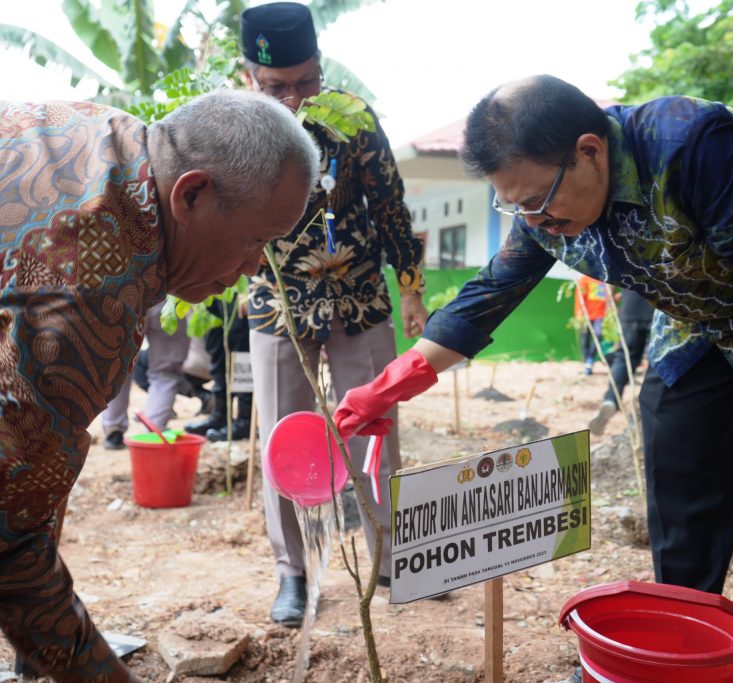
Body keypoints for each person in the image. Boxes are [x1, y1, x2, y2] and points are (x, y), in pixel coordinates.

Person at [334, 76, 733, 681]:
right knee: (679, 464)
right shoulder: (544, 203)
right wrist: (390, 386)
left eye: (538, 201)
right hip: (700, 312)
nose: (533, 219)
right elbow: (490, 294)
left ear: (589, 152)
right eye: (514, 205)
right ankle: (678, 652)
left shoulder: (697, 145)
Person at [0, 90, 319, 682]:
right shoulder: (89, 280)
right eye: (257, 239)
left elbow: (14, 466)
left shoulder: (114, 141)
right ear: (192, 193)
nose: (257, 267)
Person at [238, 2, 428, 627]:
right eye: (277, 87)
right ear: (248, 78)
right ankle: (292, 574)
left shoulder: (352, 119)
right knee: (283, 440)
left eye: (307, 81)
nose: (295, 98)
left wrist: (411, 289)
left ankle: (392, 559)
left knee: (375, 432)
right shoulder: (236, 126)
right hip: (275, 306)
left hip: (360, 299)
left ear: (321, 68)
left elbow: (392, 205)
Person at [102, 300, 190, 449]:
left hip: (128, 294)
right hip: (169, 298)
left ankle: (113, 430)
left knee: (118, 367)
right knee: (166, 373)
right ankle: (153, 431)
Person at [184, 298, 253, 441]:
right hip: (217, 288)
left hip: (240, 286)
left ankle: (244, 420)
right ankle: (220, 415)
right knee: (216, 345)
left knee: (240, 349)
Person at [588, 288, 654, 436]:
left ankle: (611, 399)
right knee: (657, 360)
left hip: (631, 305)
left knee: (624, 357)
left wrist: (612, 297)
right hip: (658, 308)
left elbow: (612, 275)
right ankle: (642, 411)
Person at [573, 273, 609, 374]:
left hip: (600, 315)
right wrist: (579, 313)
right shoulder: (585, 279)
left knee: (599, 334)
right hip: (586, 315)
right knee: (585, 340)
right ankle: (587, 365)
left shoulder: (604, 281)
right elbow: (579, 298)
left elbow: (605, 299)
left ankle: (590, 359)